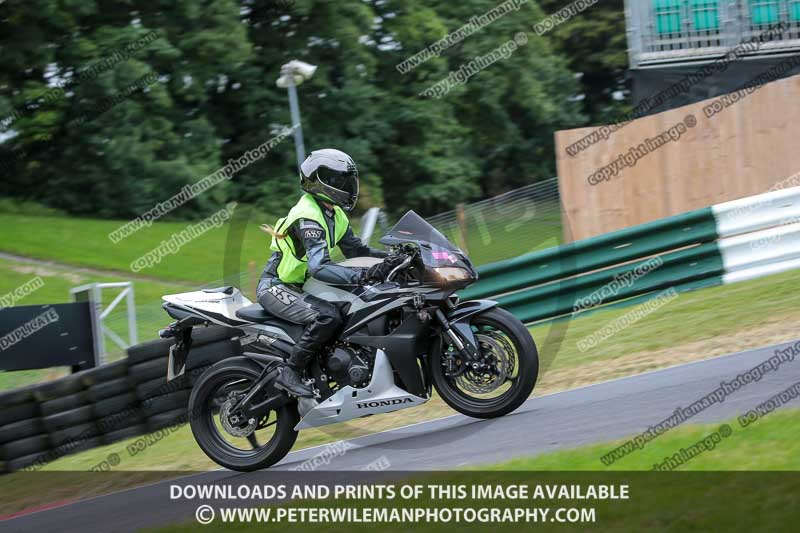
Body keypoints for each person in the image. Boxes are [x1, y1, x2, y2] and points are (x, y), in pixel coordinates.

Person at [256, 148, 399, 398]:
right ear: (321, 181)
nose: (347, 186)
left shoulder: (335, 214)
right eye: (339, 180)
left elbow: (356, 250)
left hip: (302, 285)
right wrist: (364, 275)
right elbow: (319, 267)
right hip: (276, 286)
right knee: (328, 316)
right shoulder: (307, 216)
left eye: (347, 180)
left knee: (358, 303)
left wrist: (394, 257)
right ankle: (291, 370)